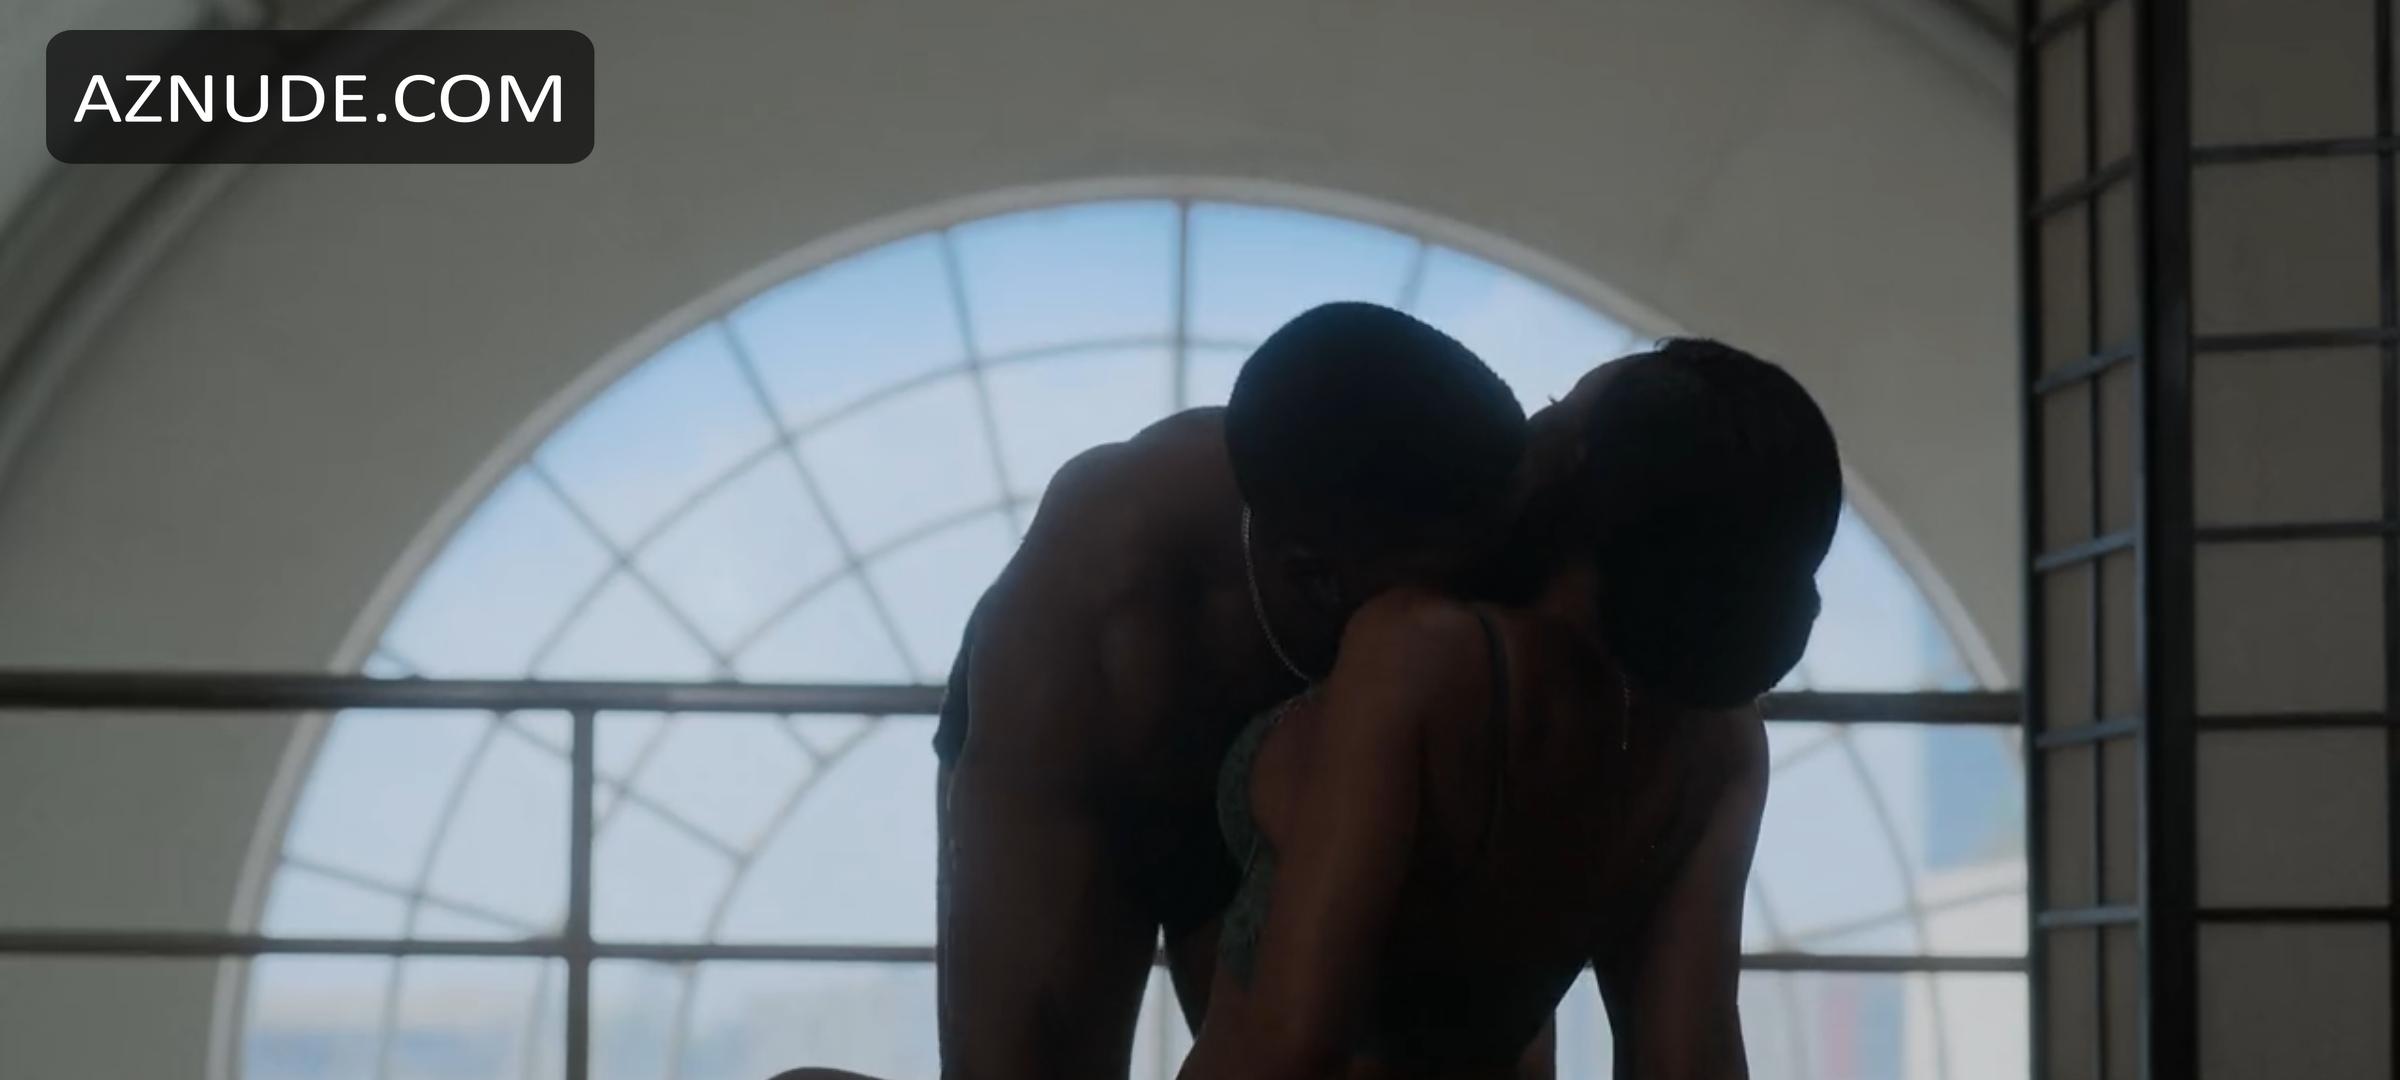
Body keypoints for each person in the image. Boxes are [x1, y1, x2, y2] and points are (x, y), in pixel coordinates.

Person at [1175, 339, 1842, 1080]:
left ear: (1583, 471)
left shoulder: (1421, 653)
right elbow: (1685, 1060)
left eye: (1561, 407)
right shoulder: (1720, 742)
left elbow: (1294, 1042)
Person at [933, 302, 1535, 1079]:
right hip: (1095, 748)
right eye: (1451, 591)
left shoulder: (1500, 537)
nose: (1482, 620)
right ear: (1316, 578)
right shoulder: (1091, 614)